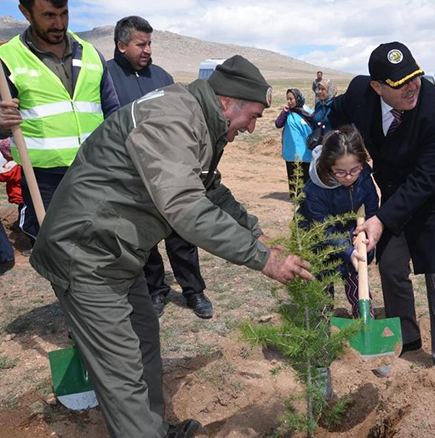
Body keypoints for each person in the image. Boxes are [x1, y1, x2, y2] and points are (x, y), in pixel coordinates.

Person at [29, 55, 313, 438]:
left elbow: (209, 188)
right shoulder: (173, 118)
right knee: (122, 373)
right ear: (229, 101)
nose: (251, 128)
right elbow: (186, 208)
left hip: (119, 253)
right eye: (254, 117)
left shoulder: (202, 121)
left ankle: (154, 430)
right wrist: (262, 259)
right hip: (86, 254)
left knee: (144, 343)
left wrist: (255, 233)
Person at [330, 42, 435, 373]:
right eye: (399, 83)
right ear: (377, 87)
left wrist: (380, 220)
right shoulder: (361, 92)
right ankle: (404, 337)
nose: (411, 87)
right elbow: (337, 114)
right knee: (390, 263)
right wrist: (327, 146)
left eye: (415, 77)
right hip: (394, 191)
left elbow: (425, 180)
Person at [107, 16, 211, 319]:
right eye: (141, 44)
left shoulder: (162, 77)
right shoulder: (107, 77)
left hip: (169, 170)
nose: (148, 50)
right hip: (133, 173)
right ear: (121, 45)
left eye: (150, 43)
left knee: (182, 233)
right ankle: (156, 290)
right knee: (145, 237)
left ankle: (194, 291)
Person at [0, 0, 119, 250]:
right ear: (25, 12)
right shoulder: (6, 60)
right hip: (44, 179)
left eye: (64, 13)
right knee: (59, 253)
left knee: (102, 245)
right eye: (49, 15)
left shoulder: (90, 53)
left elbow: (112, 113)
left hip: (94, 171)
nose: (59, 24)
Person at [299, 126, 379, 318]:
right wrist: (348, 250)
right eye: (340, 172)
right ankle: (322, 330)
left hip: (352, 236)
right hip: (320, 244)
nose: (349, 176)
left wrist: (365, 238)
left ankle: (364, 320)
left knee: (358, 282)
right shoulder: (315, 191)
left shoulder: (364, 177)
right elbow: (323, 228)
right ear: (328, 166)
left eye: (354, 169)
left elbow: (372, 209)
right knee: (322, 289)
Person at [275, 88, 313, 195]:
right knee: (292, 174)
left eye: (291, 99)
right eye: (287, 99)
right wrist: (284, 112)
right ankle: (295, 196)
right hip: (291, 150)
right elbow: (278, 124)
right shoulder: (288, 113)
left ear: (298, 98)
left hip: (305, 151)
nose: (289, 101)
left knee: (305, 175)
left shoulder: (308, 112)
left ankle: (306, 196)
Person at [0, 139, 22, 275]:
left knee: (26, 215)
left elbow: (4, 175)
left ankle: (26, 234)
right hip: (20, 197)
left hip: (21, 197)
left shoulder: (14, 166)